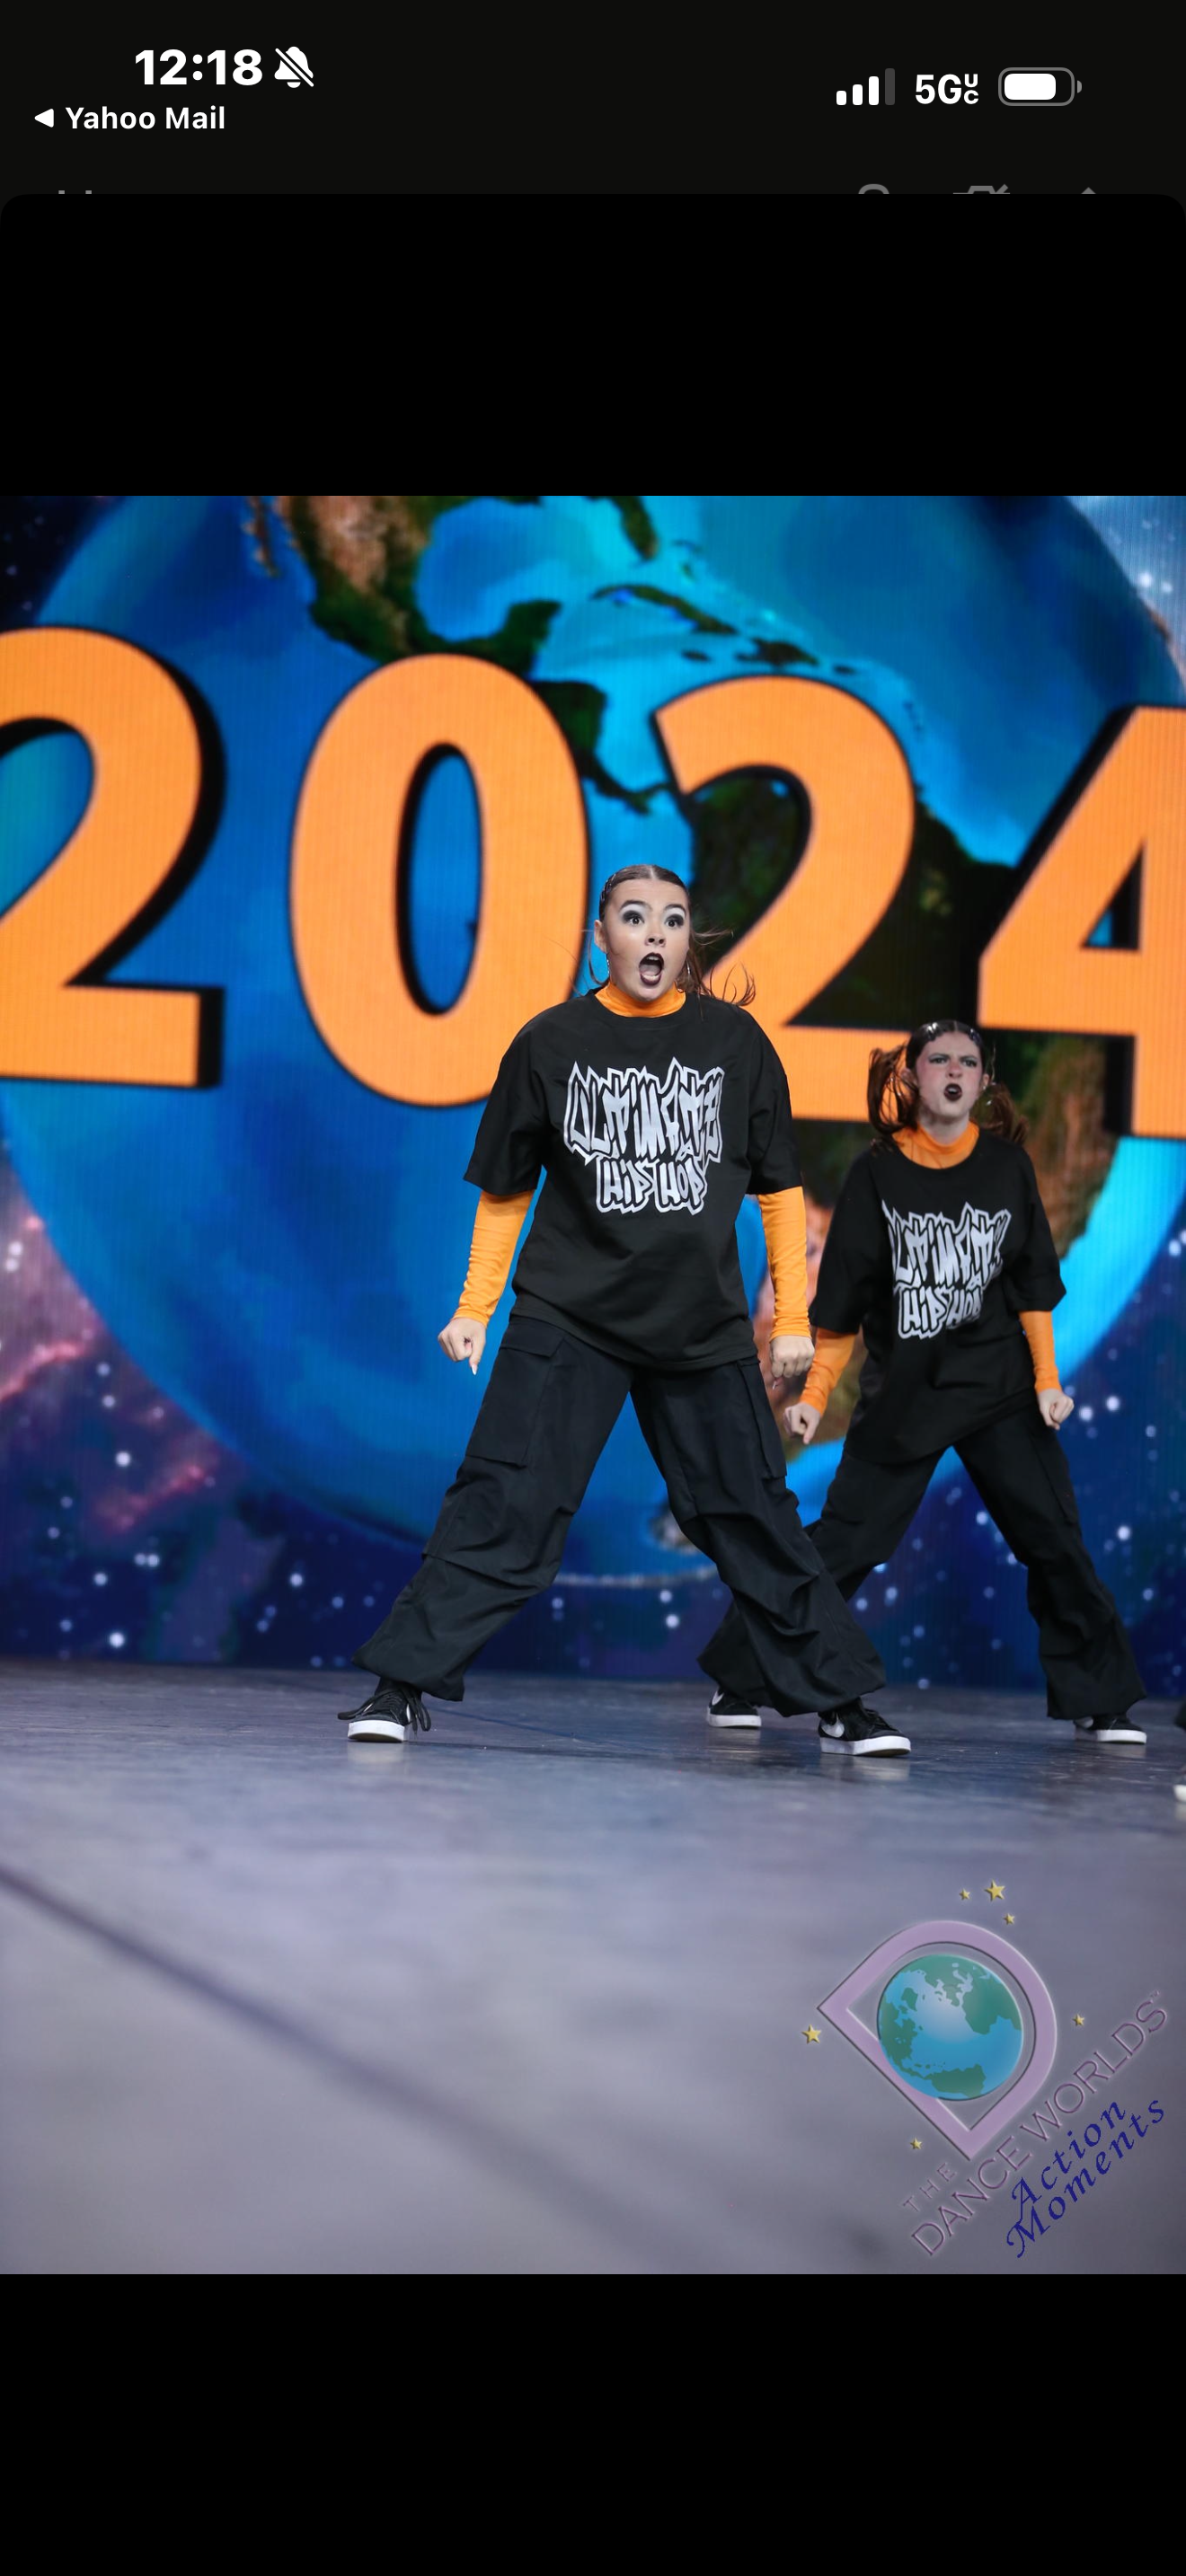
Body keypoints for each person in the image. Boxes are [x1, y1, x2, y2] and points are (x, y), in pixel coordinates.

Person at [340, 865, 907, 1754]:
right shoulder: (550, 1041)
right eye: (634, 919)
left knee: (752, 1513)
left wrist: (792, 1317)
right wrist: (474, 1307)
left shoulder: (737, 1045)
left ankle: (841, 1699)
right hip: (569, 1316)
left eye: (672, 920)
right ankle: (398, 1685)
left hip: (699, 1326)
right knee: (503, 1502)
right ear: (600, 938)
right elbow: (504, 1190)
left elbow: (783, 1191)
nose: (653, 935)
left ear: (689, 942)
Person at [700, 1019, 1147, 1743]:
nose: (952, 1071)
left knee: (1055, 1540)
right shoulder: (876, 1174)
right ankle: (739, 1677)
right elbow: (840, 1309)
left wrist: (1046, 1381)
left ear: (983, 1080)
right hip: (907, 1394)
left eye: (967, 1062)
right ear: (910, 1077)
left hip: (1001, 1390)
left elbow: (1033, 1288)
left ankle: (1102, 1700)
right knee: (848, 1542)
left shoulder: (1008, 1169)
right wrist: (814, 1397)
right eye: (937, 1059)